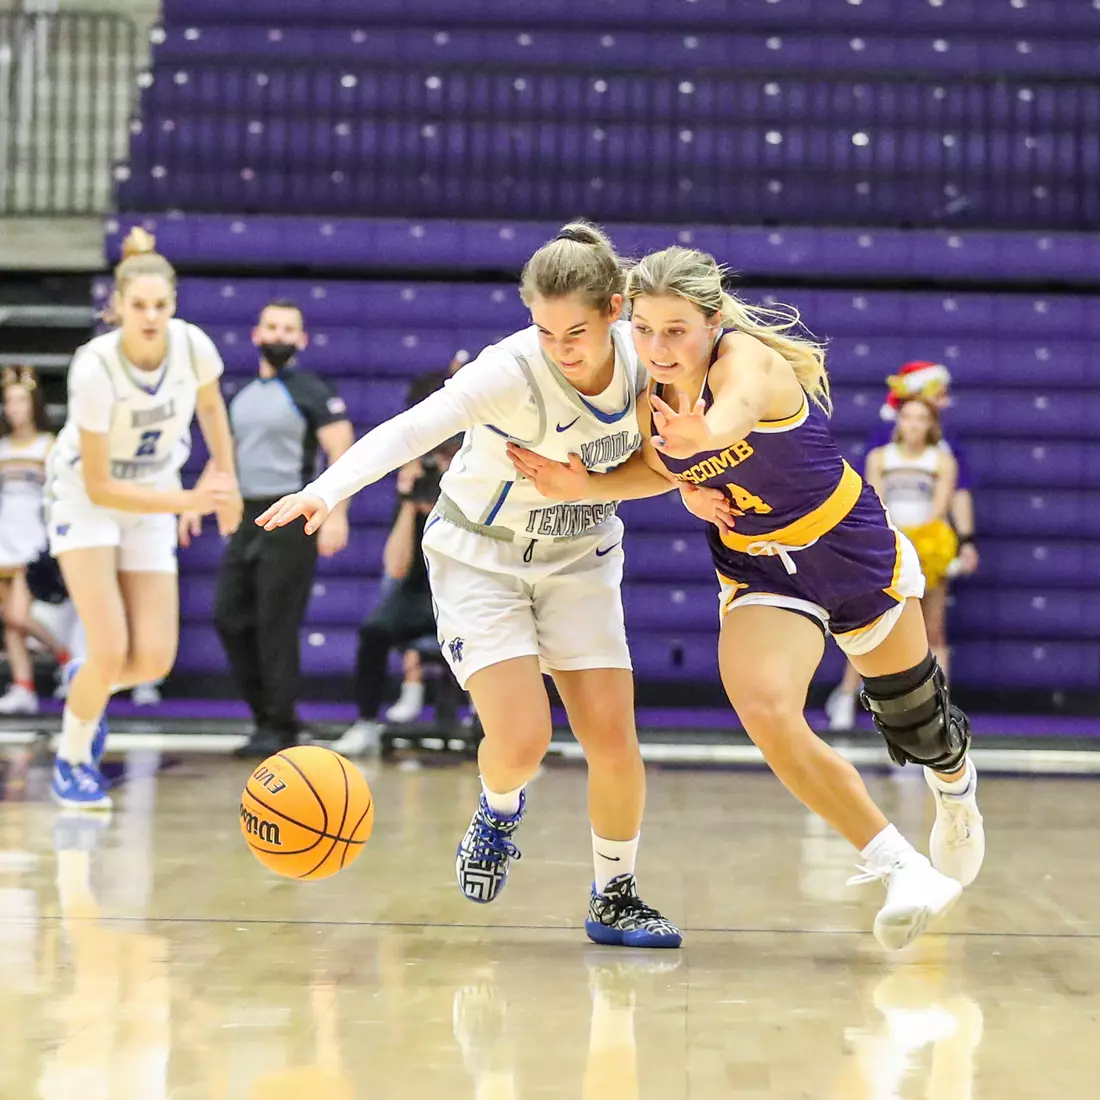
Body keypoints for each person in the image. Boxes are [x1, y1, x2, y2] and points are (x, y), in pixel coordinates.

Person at [258, 222, 730, 948]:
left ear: (614, 312)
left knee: (613, 739)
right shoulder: (508, 370)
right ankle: (498, 808)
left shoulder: (648, 357)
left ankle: (616, 895)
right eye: (543, 329)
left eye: (574, 330)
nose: (559, 347)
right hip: (483, 557)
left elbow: (672, 452)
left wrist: (690, 483)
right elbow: (410, 430)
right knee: (522, 739)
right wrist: (328, 491)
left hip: (581, 556)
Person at [511, 246, 985, 951]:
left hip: (848, 549)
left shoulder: (747, 364)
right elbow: (650, 464)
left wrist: (702, 437)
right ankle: (899, 867)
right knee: (765, 711)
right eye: (644, 329)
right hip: (759, 569)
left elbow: (729, 417)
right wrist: (590, 485)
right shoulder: (647, 387)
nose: (658, 347)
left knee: (916, 723)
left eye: (676, 331)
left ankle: (955, 788)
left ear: (710, 321)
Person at [45, 227, 240, 809]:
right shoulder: (94, 367)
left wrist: (222, 478)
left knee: (153, 658)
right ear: (118, 308)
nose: (150, 316)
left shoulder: (193, 346)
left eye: (160, 305)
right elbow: (103, 486)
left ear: (173, 306)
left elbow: (210, 407)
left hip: (154, 489)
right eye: (139, 306)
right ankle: (72, 759)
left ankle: (88, 681)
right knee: (111, 650)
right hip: (85, 496)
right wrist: (190, 502)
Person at [207, 299, 354, 758]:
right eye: (271, 326)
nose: (279, 335)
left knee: (276, 623)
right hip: (245, 516)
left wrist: (337, 513)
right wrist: (199, 501)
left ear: (301, 340)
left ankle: (279, 726)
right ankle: (268, 717)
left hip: (289, 514)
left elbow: (343, 454)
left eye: (289, 329)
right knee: (228, 617)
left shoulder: (311, 390)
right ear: (256, 334)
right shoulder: (243, 394)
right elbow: (223, 456)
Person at [826, 361, 978, 729]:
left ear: (930, 424)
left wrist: (953, 542)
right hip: (887, 548)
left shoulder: (943, 459)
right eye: (906, 417)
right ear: (898, 420)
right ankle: (847, 697)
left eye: (920, 418)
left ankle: (937, 708)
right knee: (870, 625)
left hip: (926, 548)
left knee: (932, 629)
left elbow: (945, 504)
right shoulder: (880, 456)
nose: (912, 425)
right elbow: (873, 499)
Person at [332, 435, 460, 755]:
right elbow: (396, 568)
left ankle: (492, 730)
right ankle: (366, 725)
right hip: (419, 592)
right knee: (373, 630)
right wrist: (408, 503)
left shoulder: (473, 490)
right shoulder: (416, 498)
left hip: (463, 589)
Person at [0, 366, 70, 713]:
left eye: (20, 401)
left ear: (33, 404)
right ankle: (23, 685)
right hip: (4, 539)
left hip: (34, 541)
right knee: (10, 619)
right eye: (8, 402)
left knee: (17, 615)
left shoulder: (49, 445)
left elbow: (62, 494)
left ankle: (65, 654)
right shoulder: (1, 447)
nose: (14, 408)